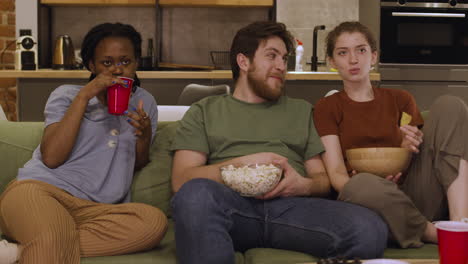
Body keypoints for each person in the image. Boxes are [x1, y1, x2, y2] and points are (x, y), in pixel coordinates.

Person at [170, 21, 388, 264]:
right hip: (232, 210)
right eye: (271, 56)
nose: (281, 66)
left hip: (292, 212)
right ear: (244, 62)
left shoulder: (302, 111)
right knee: (195, 196)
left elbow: (323, 181)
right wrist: (240, 165)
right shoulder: (204, 111)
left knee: (369, 229)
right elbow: (182, 180)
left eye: (284, 58)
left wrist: (302, 185)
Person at [0, 22, 168, 264]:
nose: (117, 70)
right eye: (107, 63)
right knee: (50, 237)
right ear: (92, 65)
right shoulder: (66, 95)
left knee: (153, 222)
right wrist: (85, 96)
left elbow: (137, 163)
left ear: (136, 62)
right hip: (40, 192)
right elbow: (52, 158)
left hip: (96, 210)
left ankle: (19, 251)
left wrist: (144, 135)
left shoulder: (145, 102)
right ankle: (43, 239)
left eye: (125, 61)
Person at [313, 21, 468, 248]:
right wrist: (365, 183)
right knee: (360, 184)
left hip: (413, 193)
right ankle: (436, 234)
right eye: (343, 52)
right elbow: (336, 174)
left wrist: (407, 149)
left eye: (361, 50)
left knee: (450, 104)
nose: (353, 59)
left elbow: (425, 158)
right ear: (332, 62)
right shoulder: (326, 107)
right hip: (371, 202)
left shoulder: (400, 99)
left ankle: (460, 224)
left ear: (373, 56)